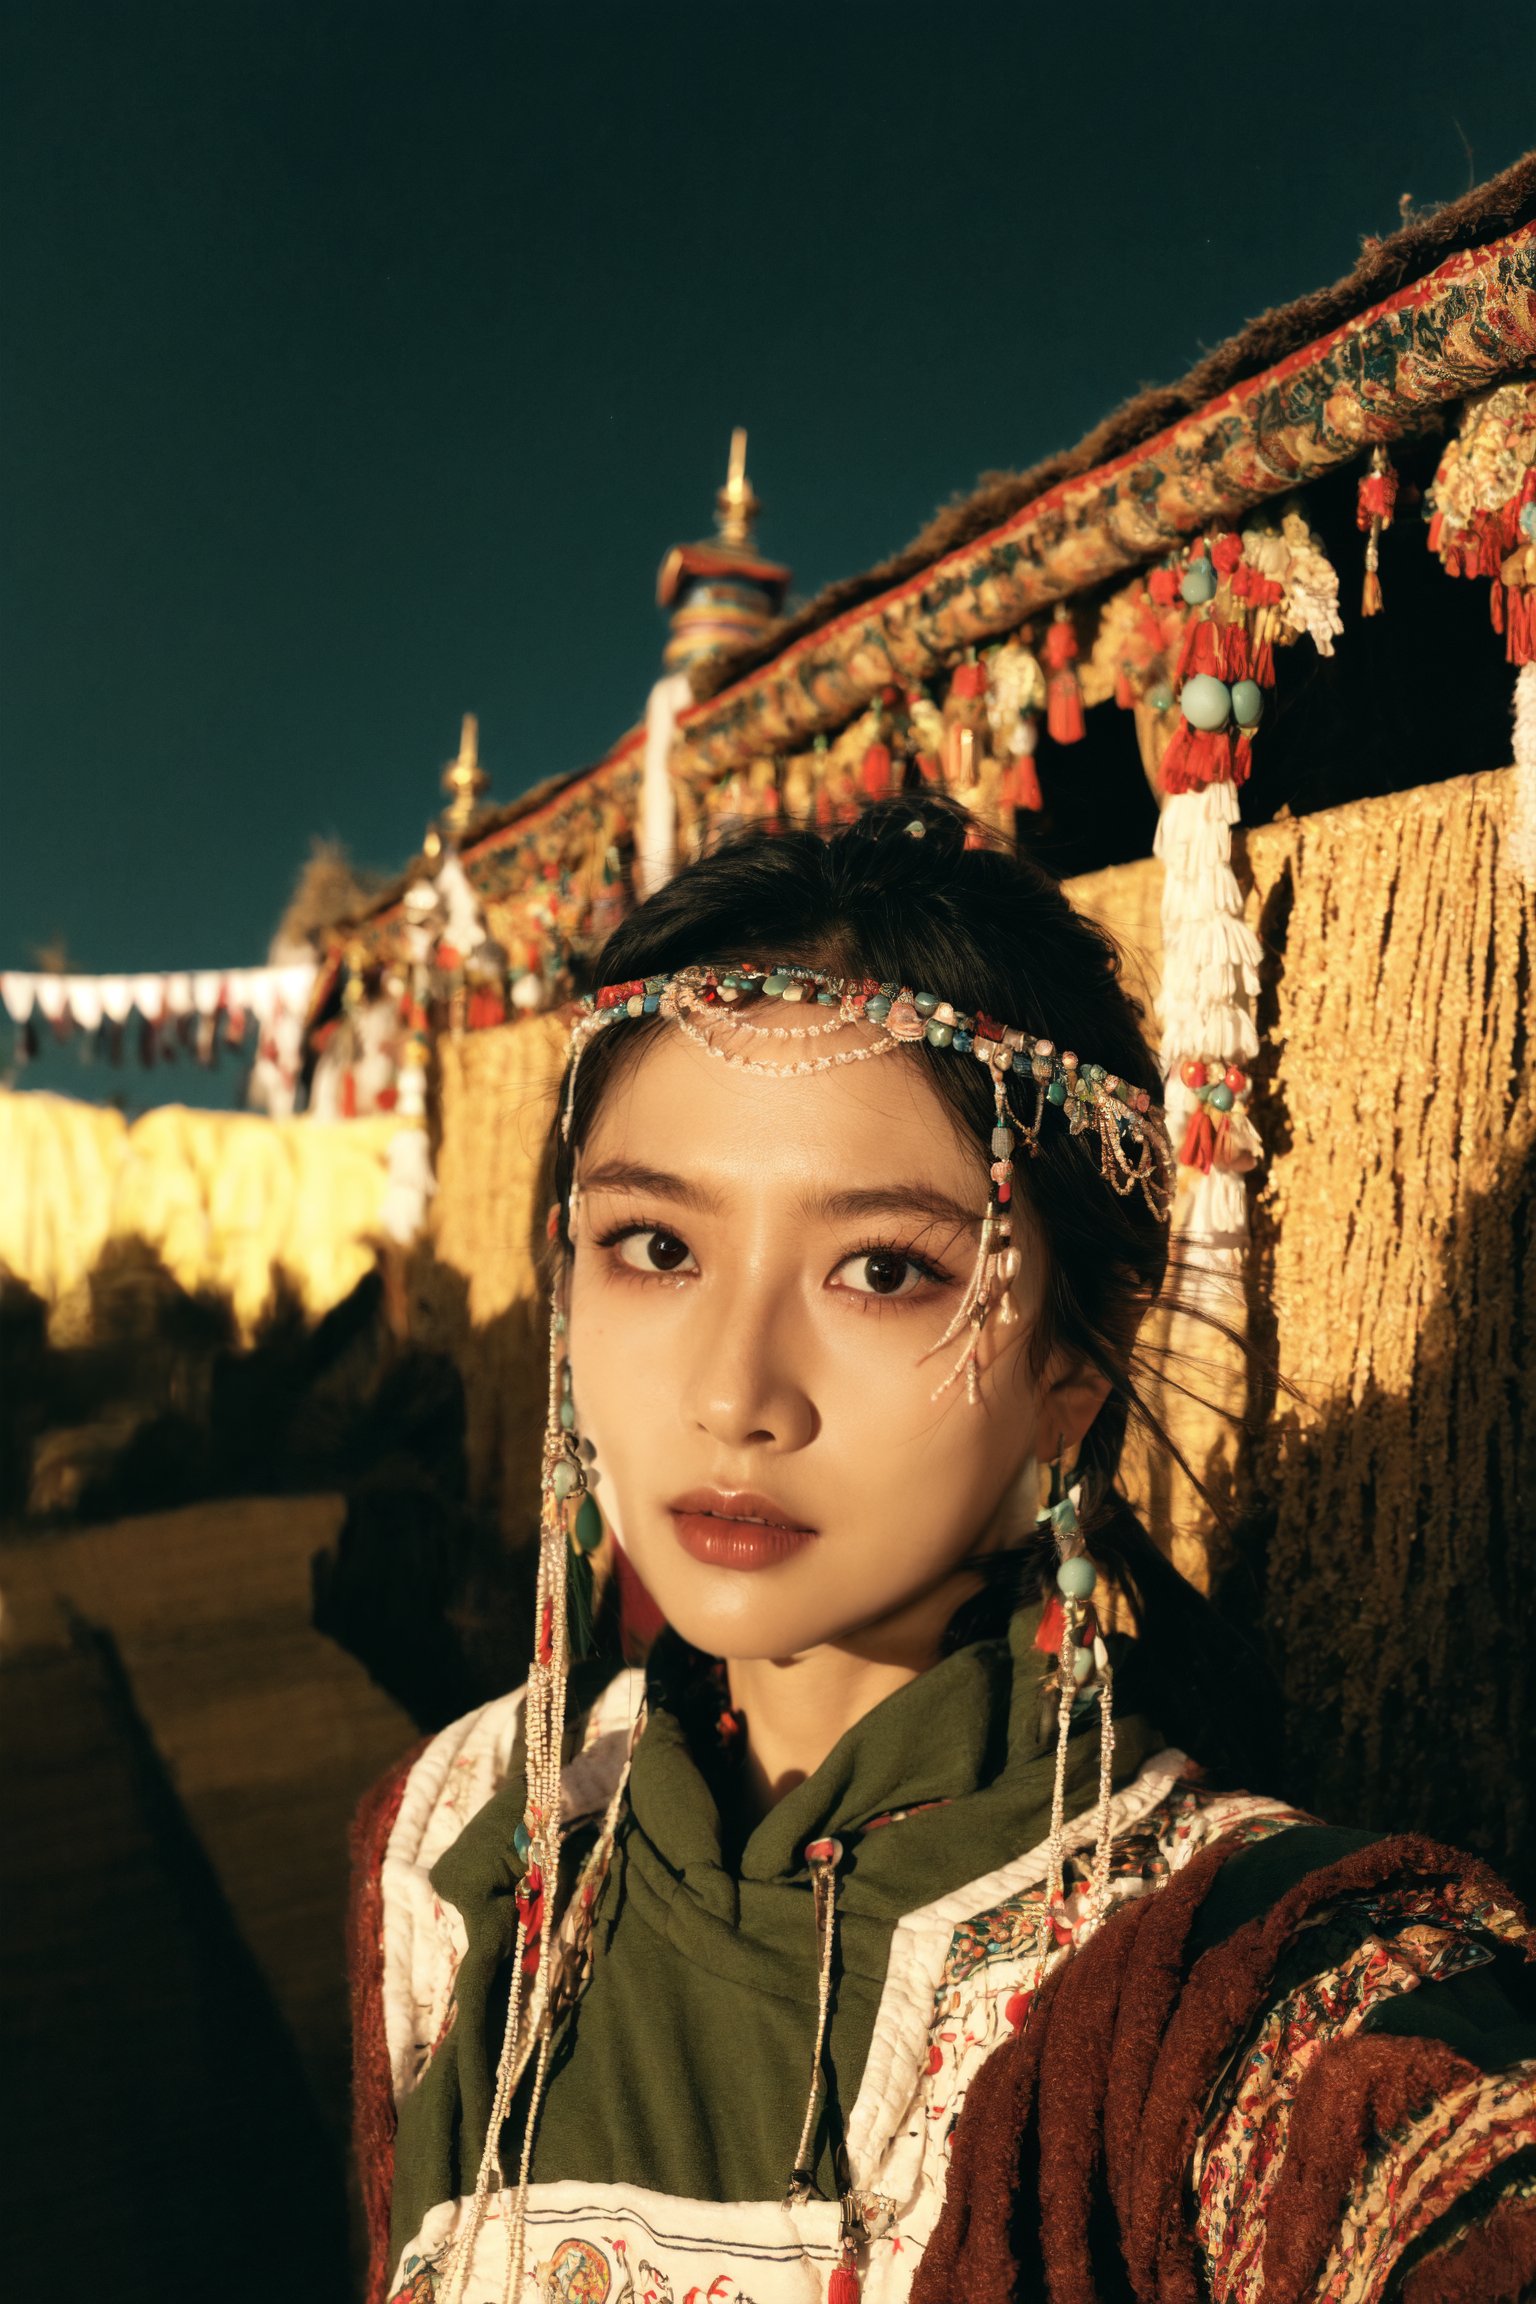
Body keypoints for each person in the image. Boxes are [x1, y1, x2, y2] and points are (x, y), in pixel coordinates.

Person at [350, 797, 1536, 2304]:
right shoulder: (453, 1848)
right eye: (655, 1245)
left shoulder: (1232, 2003)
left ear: (1074, 1367)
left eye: (883, 1269)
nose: (734, 1393)